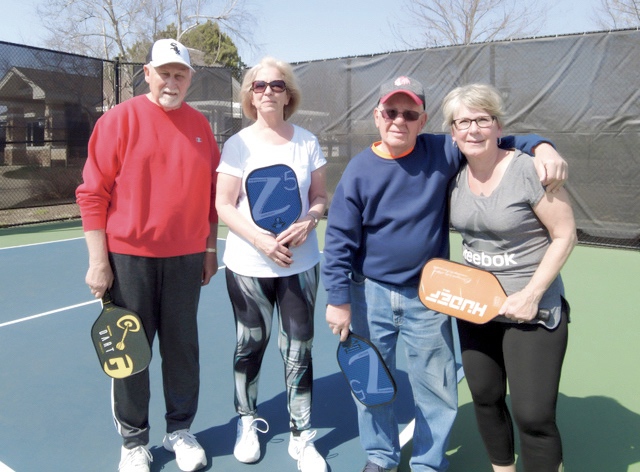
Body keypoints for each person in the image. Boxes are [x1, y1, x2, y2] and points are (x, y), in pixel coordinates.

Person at [321, 76, 568, 472]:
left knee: (435, 389)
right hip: (371, 295)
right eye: (391, 111)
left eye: (410, 113)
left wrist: (541, 144)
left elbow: (497, 138)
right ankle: (381, 457)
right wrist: (338, 300)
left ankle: (428, 463)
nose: (399, 120)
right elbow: (338, 242)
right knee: (371, 386)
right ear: (377, 116)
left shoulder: (443, 150)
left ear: (424, 120)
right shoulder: (358, 170)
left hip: (430, 294)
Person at [76, 39, 220, 472]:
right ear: (147, 73)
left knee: (182, 350)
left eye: (180, 74)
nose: (172, 82)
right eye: (165, 73)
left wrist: (210, 249)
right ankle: (134, 441)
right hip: (128, 259)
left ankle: (179, 430)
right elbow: (92, 195)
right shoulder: (118, 120)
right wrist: (99, 261)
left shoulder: (201, 127)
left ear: (190, 79)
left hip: (187, 259)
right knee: (131, 351)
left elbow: (212, 198)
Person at [442, 83, 576, 472]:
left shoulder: (528, 169)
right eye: (463, 121)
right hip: (478, 309)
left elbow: (565, 234)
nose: (473, 129)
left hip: (531, 310)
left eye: (483, 119)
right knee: (484, 396)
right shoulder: (453, 172)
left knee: (533, 415)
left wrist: (533, 294)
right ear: (452, 132)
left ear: (498, 125)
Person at [215, 56, 328, 472]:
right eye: (258, 86)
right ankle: (247, 422)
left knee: (300, 348)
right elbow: (223, 204)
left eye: (275, 85)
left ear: (288, 93)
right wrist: (260, 239)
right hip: (248, 265)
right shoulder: (237, 144)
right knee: (250, 345)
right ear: (249, 94)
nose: (266, 92)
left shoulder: (307, 142)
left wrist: (309, 220)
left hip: (300, 265)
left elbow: (319, 198)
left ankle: (302, 434)